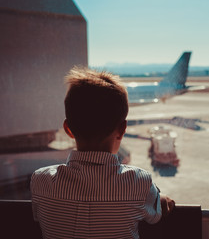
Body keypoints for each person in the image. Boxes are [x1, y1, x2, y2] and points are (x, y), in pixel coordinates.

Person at [30, 67, 175, 239]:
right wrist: (161, 198)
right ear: (122, 130)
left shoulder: (41, 180)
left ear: (68, 129)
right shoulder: (139, 182)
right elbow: (155, 215)